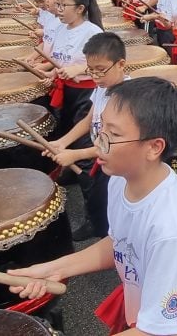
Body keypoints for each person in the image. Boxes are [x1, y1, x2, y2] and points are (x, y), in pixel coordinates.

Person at [8, 78, 177, 335]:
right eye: (101, 131)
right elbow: (122, 243)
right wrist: (53, 269)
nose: (99, 144)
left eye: (113, 135)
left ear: (154, 147)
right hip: (149, 313)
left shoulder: (171, 230)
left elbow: (157, 332)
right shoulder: (120, 179)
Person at [42, 33, 130, 242]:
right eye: (91, 70)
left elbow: (115, 144)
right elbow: (89, 119)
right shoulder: (101, 88)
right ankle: (99, 227)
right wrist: (62, 142)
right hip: (100, 154)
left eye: (101, 70)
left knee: (110, 200)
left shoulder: (127, 99)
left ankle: (109, 239)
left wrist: (75, 154)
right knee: (96, 196)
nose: (96, 76)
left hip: (117, 163)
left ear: (121, 64)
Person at [37, 0, 104, 138]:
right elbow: (60, 59)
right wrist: (52, 74)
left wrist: (79, 69)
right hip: (67, 90)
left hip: (87, 94)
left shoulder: (92, 32)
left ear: (80, 9)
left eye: (63, 5)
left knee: (83, 135)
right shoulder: (61, 29)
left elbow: (105, 67)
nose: (58, 9)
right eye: (58, 4)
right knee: (66, 128)